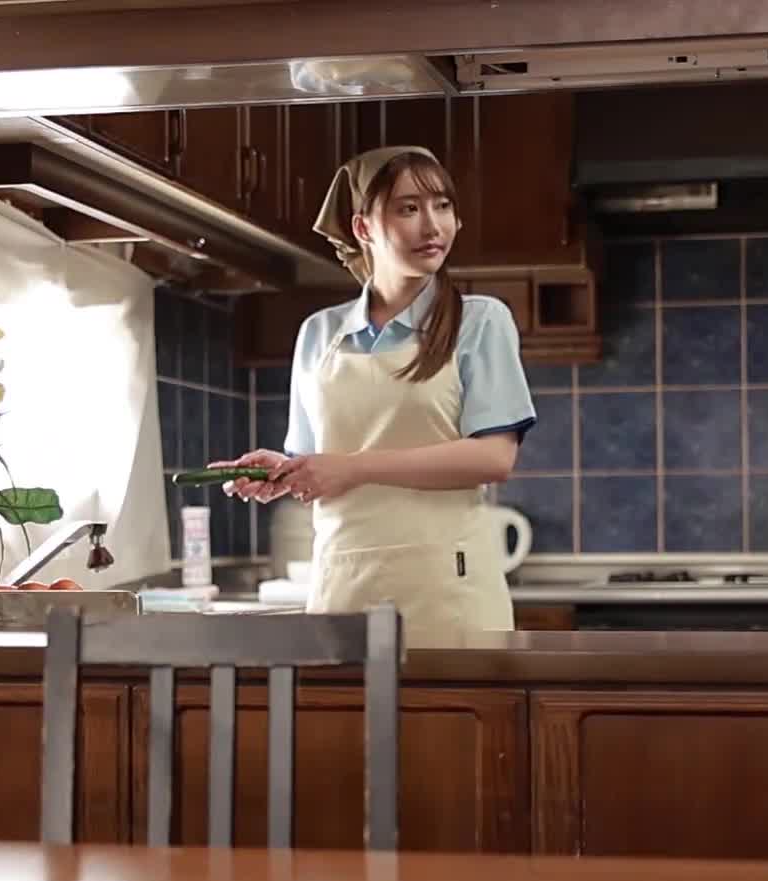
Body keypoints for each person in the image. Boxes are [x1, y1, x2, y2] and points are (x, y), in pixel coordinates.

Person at [210, 145, 537, 647]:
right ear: (363, 228)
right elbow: (322, 463)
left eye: (443, 206)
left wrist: (354, 467)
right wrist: (280, 472)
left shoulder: (480, 321)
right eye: (409, 208)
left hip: (448, 590)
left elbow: (494, 458)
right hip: (343, 587)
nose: (433, 226)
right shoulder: (318, 334)